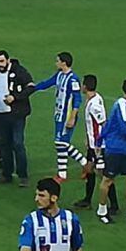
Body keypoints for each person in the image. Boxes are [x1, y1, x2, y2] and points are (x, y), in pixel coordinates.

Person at [32, 52, 85, 182]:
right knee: (60, 143)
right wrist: (33, 87)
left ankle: (84, 164)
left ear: (64, 63)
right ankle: (65, 173)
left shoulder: (73, 79)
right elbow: (48, 83)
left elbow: (77, 99)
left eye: (57, 61)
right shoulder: (59, 75)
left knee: (61, 142)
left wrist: (73, 117)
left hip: (67, 115)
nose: (56, 63)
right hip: (59, 114)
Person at [73, 75, 118, 213]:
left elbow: (103, 124)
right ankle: (87, 199)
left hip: (98, 147)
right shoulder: (94, 98)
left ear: (85, 86)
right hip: (93, 144)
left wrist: (99, 144)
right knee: (89, 170)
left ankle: (114, 205)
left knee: (103, 175)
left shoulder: (94, 105)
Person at [97, 76, 126, 225]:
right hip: (115, 149)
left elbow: (108, 125)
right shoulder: (121, 104)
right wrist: (100, 142)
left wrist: (100, 138)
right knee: (107, 180)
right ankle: (102, 210)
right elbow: (125, 128)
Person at [0, 50, 34, 187]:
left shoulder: (19, 71)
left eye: (2, 61)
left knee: (17, 143)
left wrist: (15, 97)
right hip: (1, 114)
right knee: (4, 144)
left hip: (16, 114)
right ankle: (7, 173)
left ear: (8, 60)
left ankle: (23, 175)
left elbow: (31, 87)